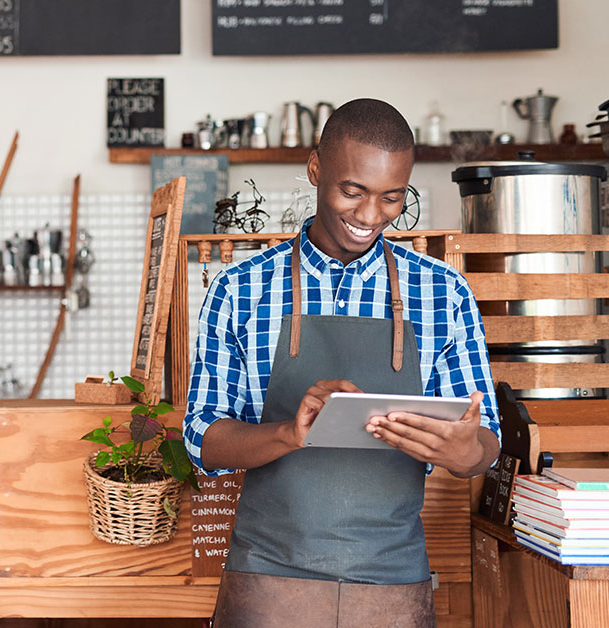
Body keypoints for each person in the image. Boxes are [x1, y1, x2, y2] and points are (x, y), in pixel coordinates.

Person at [183, 98, 501, 628]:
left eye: (391, 198)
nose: (369, 215)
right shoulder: (240, 289)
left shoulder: (443, 293)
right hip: (267, 583)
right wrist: (289, 431)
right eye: (352, 191)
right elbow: (202, 441)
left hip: (393, 583)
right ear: (315, 169)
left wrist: (466, 450)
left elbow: (484, 442)